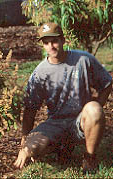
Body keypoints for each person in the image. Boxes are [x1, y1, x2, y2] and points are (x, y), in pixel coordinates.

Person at [13, 22, 112, 173]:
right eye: (46, 43)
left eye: (54, 41)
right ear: (43, 45)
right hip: (55, 123)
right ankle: (62, 147)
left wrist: (97, 109)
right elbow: (30, 108)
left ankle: (89, 157)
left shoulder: (83, 60)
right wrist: (25, 140)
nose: (51, 46)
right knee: (30, 149)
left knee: (94, 110)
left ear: (63, 40)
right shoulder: (40, 72)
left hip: (80, 120)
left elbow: (106, 83)